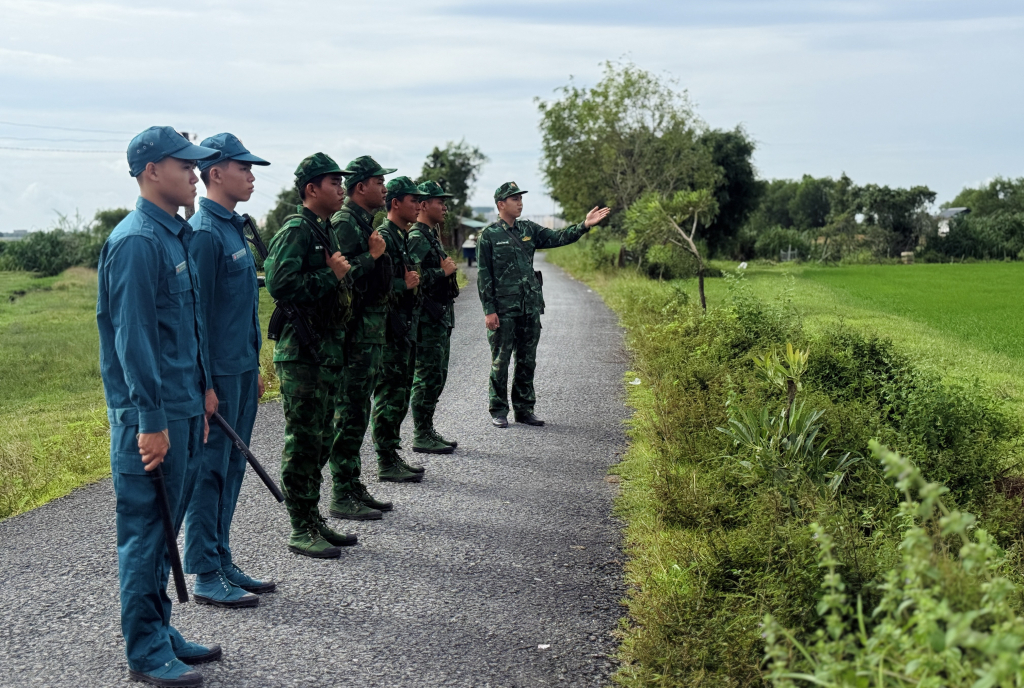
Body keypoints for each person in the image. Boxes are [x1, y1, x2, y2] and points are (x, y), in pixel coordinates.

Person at [97, 125, 221, 687]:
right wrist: (150, 422)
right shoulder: (137, 242)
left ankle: (161, 629)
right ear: (152, 171)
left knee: (165, 531)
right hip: (152, 419)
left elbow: (184, 331)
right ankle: (145, 651)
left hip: (182, 407)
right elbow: (134, 341)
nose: (195, 172)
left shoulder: (172, 235)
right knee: (148, 532)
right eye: (184, 164)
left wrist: (203, 392)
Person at [183, 133, 273, 608]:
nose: (252, 176)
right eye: (245, 168)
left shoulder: (233, 226)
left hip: (241, 371)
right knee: (210, 471)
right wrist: (206, 384)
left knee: (234, 466)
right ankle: (203, 572)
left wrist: (253, 366)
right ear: (216, 172)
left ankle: (221, 557)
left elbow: (240, 310)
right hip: (216, 377)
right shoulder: (203, 233)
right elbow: (197, 316)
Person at [263, 153, 358, 558]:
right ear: (310, 190)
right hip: (300, 352)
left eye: (341, 182)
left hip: (323, 349)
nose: (340, 189)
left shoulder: (323, 229)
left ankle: (313, 516)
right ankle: (300, 526)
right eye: (333, 183)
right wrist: (330, 275)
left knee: (321, 440)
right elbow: (278, 283)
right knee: (303, 441)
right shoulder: (297, 229)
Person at [476, 181, 610, 428]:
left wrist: (584, 226)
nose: (520, 202)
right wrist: (489, 311)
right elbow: (484, 276)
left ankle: (524, 409)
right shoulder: (489, 236)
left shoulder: (529, 229)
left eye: (520, 198)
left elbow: (557, 237)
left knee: (527, 360)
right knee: (501, 360)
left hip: (529, 307)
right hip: (504, 311)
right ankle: (498, 410)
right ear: (500, 204)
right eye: (514, 199)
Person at [327, 156, 395, 521]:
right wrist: (372, 257)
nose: (384, 189)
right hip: (353, 336)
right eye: (379, 182)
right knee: (349, 412)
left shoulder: (361, 220)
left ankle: (352, 484)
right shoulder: (345, 223)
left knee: (359, 411)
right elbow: (344, 276)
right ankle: (341, 493)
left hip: (368, 333)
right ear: (361, 186)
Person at [369, 176, 425, 481]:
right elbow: (373, 285)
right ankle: (385, 460)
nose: (418, 206)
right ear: (396, 203)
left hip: (405, 327)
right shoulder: (385, 237)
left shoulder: (403, 236)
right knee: (390, 394)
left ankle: (392, 455)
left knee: (400, 393)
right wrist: (404, 285)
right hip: (389, 330)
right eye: (413, 201)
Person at [407, 180, 459, 452]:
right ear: (424, 205)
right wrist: (444, 273)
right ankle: (421, 434)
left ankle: (427, 428)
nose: (445, 207)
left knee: (437, 375)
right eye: (440, 202)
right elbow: (413, 277)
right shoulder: (416, 237)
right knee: (427, 376)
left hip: (439, 318)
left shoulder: (430, 235)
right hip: (427, 320)